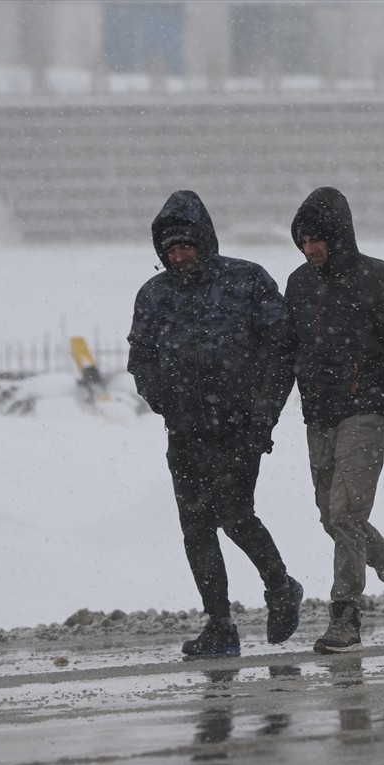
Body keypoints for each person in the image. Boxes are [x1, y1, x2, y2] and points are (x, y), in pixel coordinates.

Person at [128, 189, 303, 658]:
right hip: (185, 431)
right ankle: (220, 625)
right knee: (195, 526)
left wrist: (261, 418)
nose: (180, 256)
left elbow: (280, 354)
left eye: (187, 246)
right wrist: (164, 401)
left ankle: (280, 586)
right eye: (171, 250)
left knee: (232, 511)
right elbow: (140, 358)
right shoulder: (154, 295)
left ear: (205, 241)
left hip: (240, 427)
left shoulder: (247, 281)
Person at [284, 186, 384, 654]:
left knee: (346, 514)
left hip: (368, 409)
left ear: (339, 236)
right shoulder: (298, 284)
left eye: (317, 239)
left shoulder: (382, 279)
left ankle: (346, 616)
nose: (310, 249)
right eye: (302, 241)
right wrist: (261, 418)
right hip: (318, 416)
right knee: (334, 519)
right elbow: (283, 356)